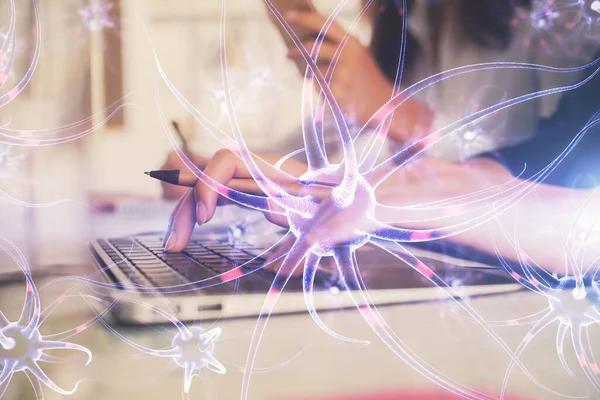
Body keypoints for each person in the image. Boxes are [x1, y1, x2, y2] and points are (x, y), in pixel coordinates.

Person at [162, 0, 600, 275]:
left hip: (507, 276)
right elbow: (350, 148)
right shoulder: (404, 20)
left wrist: (391, 112)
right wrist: (230, 166)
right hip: (435, 266)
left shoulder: (560, 18)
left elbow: (548, 169)